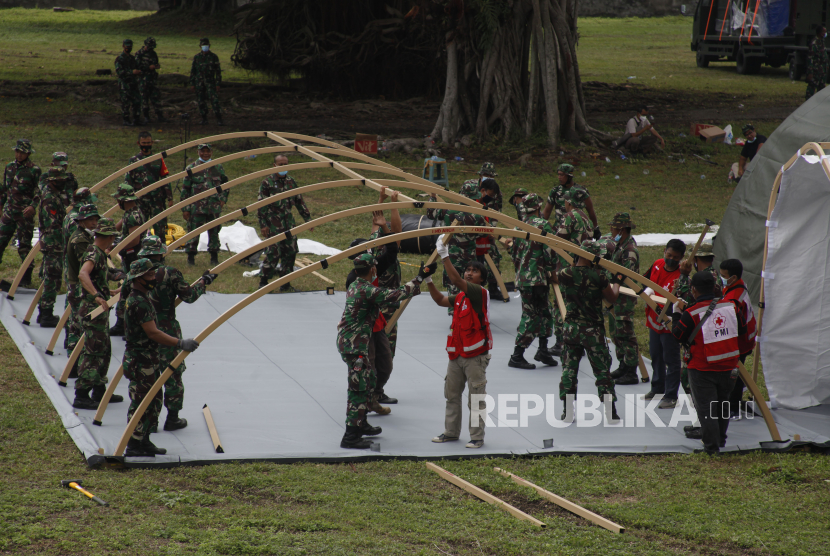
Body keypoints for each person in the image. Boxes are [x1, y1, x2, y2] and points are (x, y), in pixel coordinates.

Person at [335, 253, 425, 449]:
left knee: (367, 383)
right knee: (358, 390)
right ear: (373, 269)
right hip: (356, 345)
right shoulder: (366, 289)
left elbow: (386, 299)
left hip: (353, 343)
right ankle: (351, 436)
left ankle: (361, 423)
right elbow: (393, 295)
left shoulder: (355, 285)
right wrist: (418, 279)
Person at [122, 258, 201, 457]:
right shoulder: (138, 301)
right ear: (139, 279)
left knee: (154, 401)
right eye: (149, 275)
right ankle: (134, 444)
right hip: (141, 361)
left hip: (149, 358)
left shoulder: (143, 295)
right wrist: (180, 343)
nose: (153, 278)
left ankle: (145, 440)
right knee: (141, 402)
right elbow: (153, 333)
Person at [136, 235, 216, 432]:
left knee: (148, 373)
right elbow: (188, 296)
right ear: (161, 253)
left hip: (143, 328)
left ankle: (147, 421)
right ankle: (172, 418)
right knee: (172, 372)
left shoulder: (136, 272)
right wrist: (203, 282)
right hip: (166, 327)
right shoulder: (168, 273)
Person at [428, 236, 491, 449]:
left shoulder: (479, 293)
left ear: (482, 278)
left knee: (476, 399)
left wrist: (444, 255)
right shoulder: (461, 297)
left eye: (474, 271)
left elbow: (455, 281)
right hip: (456, 356)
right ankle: (451, 433)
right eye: (467, 270)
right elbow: (439, 300)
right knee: (451, 396)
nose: (469, 272)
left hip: (475, 358)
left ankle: (477, 437)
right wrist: (427, 280)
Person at [671, 272, 743, 455]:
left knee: (707, 409)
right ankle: (720, 439)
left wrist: (676, 314)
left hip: (702, 367)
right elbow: (742, 328)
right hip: (729, 365)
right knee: (723, 405)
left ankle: (711, 448)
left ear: (693, 290)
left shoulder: (691, 313)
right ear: (714, 287)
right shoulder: (731, 306)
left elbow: (678, 335)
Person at [346, 190, 402, 411]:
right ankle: (374, 393)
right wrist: (395, 204)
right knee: (383, 352)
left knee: (383, 355)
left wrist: (380, 203)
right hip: (384, 310)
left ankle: (374, 392)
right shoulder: (378, 261)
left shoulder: (373, 249)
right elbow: (395, 237)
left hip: (381, 310)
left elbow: (376, 227)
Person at [553, 239, 621, 422]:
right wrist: (617, 282)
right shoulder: (598, 276)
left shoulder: (566, 273)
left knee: (569, 370)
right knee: (602, 371)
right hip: (593, 331)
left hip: (571, 330)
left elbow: (555, 276)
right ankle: (610, 412)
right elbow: (612, 298)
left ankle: (567, 412)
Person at [73, 218, 124, 410]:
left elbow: (97, 277)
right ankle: (82, 394)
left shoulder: (100, 254)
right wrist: (96, 295)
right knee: (94, 351)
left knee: (104, 349)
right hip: (93, 311)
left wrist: (106, 292)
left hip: (99, 309)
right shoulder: (94, 252)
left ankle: (99, 390)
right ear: (109, 236)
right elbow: (83, 274)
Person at [509, 193, 558, 369]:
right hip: (537, 279)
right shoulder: (543, 225)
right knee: (532, 316)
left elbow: (514, 254)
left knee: (545, 312)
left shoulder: (519, 226)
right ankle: (517, 355)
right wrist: (552, 272)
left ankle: (543, 350)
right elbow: (549, 252)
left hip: (525, 277)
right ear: (538, 207)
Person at [427, 187, 490, 315]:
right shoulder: (477, 215)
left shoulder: (449, 210)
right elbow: (484, 233)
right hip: (469, 258)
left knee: (453, 283)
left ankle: (454, 313)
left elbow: (431, 214)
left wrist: (433, 197)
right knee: (468, 285)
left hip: (451, 256)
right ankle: (470, 310)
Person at [642, 238, 686, 409]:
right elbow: (648, 282)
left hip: (669, 323)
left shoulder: (681, 277)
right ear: (664, 252)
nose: (671, 260)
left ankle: (671, 395)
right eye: (669, 255)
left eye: (676, 257)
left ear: (681, 258)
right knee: (656, 355)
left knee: (671, 359)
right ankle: (657, 388)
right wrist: (648, 291)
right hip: (654, 320)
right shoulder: (658, 264)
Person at [257, 154, 312, 292]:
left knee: (290, 252)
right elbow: (261, 205)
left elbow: (299, 201)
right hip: (273, 224)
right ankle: (264, 281)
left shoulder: (291, 182)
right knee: (272, 254)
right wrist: (263, 224)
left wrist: (308, 219)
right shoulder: (267, 183)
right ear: (274, 165)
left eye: (286, 164)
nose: (283, 166)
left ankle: (285, 282)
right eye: (281, 164)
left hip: (288, 223)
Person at [675, 242, 722, 400]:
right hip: (711, 330)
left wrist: (683, 275)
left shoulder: (703, 278)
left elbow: (687, 297)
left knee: (689, 380)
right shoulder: (715, 275)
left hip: (698, 332)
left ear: (696, 259)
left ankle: (702, 416)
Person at [606, 213, 642, 386]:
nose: (611, 231)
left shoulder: (629, 251)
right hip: (616, 295)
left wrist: (608, 282)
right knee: (616, 332)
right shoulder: (620, 246)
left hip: (624, 297)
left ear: (621, 229)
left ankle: (631, 370)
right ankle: (623, 364)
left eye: (613, 228)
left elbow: (622, 276)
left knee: (626, 334)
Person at [0, 139, 41, 287]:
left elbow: (39, 191)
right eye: (17, 151)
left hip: (24, 213)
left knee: (24, 246)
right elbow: (6, 188)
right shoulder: (10, 167)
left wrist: (32, 206)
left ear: (28, 153)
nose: (19, 155)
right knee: (1, 240)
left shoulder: (34, 170)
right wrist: (1, 206)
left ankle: (26, 278)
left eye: (22, 152)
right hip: (9, 212)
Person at [719, 259, 756, 419]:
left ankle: (733, 406)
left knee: (734, 374)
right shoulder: (739, 285)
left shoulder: (734, 298)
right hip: (746, 337)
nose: (721, 278)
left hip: (740, 341)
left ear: (733, 277)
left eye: (723, 276)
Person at [35, 163, 71, 328]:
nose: (62, 182)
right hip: (53, 244)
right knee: (52, 279)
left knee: (51, 278)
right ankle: (46, 314)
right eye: (59, 180)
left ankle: (44, 311)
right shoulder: (50, 198)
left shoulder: (55, 195)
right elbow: (53, 225)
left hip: (54, 243)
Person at [181, 143, 228, 267]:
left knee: (214, 232)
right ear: (198, 152)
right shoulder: (191, 168)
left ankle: (214, 257)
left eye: (208, 151)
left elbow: (226, 184)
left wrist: (223, 199)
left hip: (213, 207)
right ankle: (191, 258)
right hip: (196, 208)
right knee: (193, 233)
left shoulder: (218, 167)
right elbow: (185, 189)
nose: (205, 153)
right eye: (203, 151)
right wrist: (185, 209)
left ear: (211, 152)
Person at [62, 188, 97, 350]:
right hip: (77, 278)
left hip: (73, 274)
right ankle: (73, 351)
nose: (95, 223)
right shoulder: (79, 236)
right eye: (92, 220)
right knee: (77, 316)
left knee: (74, 314)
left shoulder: (74, 221)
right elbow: (86, 262)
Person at [109, 184, 146, 336]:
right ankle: (122, 322)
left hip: (133, 257)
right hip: (129, 256)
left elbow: (134, 240)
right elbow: (116, 228)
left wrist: (116, 248)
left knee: (129, 289)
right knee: (125, 288)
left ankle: (127, 324)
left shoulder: (133, 216)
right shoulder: (129, 213)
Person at [125, 131, 172, 240]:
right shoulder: (133, 161)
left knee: (160, 227)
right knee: (140, 227)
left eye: (148, 143)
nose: (146, 145)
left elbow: (165, 178)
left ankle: (160, 254)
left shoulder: (158, 159)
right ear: (138, 143)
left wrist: (170, 197)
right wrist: (129, 199)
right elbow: (128, 180)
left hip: (157, 199)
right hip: (140, 200)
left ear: (152, 143)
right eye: (144, 143)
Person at [190, 38, 223, 126]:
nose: (205, 47)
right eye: (203, 45)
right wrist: (192, 83)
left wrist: (218, 83)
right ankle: (204, 118)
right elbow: (193, 71)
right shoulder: (197, 57)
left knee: (214, 100)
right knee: (201, 100)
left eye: (206, 45)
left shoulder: (213, 57)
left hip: (210, 82)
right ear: (200, 46)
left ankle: (219, 118)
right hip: (199, 83)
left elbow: (218, 72)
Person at [135, 37, 166, 123]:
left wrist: (156, 66)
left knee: (156, 97)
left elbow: (155, 63)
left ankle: (160, 116)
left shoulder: (153, 54)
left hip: (152, 80)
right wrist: (148, 68)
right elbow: (137, 67)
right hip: (143, 80)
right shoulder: (139, 54)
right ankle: (146, 117)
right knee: (144, 99)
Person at [114, 39, 143, 126]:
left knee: (137, 101)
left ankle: (136, 119)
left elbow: (137, 68)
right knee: (125, 103)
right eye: (127, 47)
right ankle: (126, 119)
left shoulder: (132, 59)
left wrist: (138, 72)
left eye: (130, 47)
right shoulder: (120, 59)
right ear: (123, 46)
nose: (128, 48)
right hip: (124, 85)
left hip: (134, 83)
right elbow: (120, 72)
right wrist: (131, 72)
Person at [806, 25, 828, 100]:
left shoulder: (822, 42)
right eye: (824, 32)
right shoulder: (814, 44)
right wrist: (810, 72)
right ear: (820, 33)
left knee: (821, 90)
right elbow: (810, 58)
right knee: (812, 88)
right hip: (816, 71)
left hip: (822, 71)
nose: (825, 33)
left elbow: (824, 56)